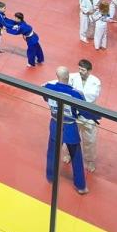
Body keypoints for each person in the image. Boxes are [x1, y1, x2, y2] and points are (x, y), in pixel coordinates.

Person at [43, 66, 88, 194]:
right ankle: (80, 186)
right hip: (70, 126)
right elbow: (85, 111)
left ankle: (50, 176)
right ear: (68, 77)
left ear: (57, 76)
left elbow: (45, 97)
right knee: (76, 155)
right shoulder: (76, 94)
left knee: (52, 151)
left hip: (55, 123)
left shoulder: (48, 88)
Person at [69, 60, 102, 172]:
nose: (80, 71)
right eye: (79, 69)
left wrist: (74, 93)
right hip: (74, 114)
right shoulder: (73, 77)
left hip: (88, 116)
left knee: (90, 140)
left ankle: (90, 161)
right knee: (71, 136)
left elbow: (92, 96)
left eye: (82, 70)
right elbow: (62, 79)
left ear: (89, 71)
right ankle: (69, 154)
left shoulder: (95, 81)